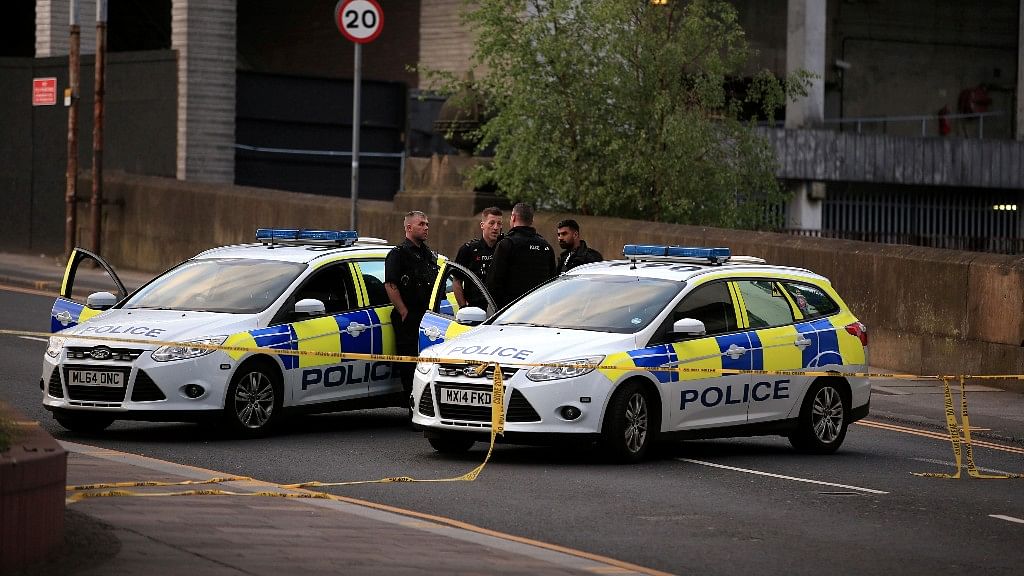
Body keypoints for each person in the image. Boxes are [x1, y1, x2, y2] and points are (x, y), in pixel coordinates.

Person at [384, 211, 438, 394]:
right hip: (410, 317)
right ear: (409, 227)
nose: (426, 228)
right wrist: (403, 311)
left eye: (427, 224)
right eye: (421, 224)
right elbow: (391, 285)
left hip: (428, 317)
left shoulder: (428, 254)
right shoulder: (398, 254)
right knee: (409, 363)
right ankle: (411, 401)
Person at [486, 203, 556, 308]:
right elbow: (553, 281)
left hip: (511, 311)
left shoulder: (507, 244)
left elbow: (493, 282)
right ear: (532, 221)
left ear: (513, 217)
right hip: (539, 309)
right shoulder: (546, 246)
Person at [453, 207, 503, 310]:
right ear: (482, 225)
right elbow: (457, 281)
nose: (496, 227)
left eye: (499, 224)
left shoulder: (505, 249)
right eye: (491, 223)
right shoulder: (468, 249)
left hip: (501, 309)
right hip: (476, 309)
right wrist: (463, 308)